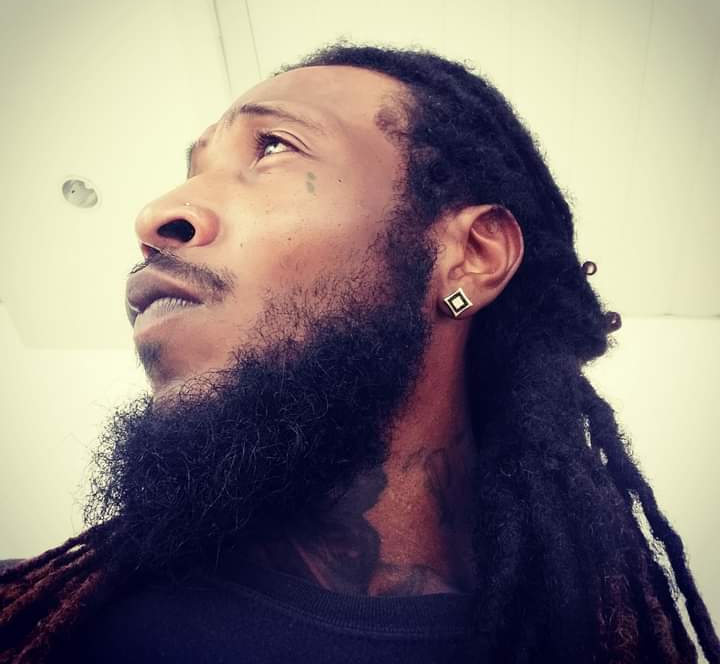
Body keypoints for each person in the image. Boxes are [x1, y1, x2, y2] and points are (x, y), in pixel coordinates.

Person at [1, 40, 717, 664]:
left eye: (273, 147)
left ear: (470, 257)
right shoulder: (31, 624)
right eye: (193, 169)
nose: (156, 215)